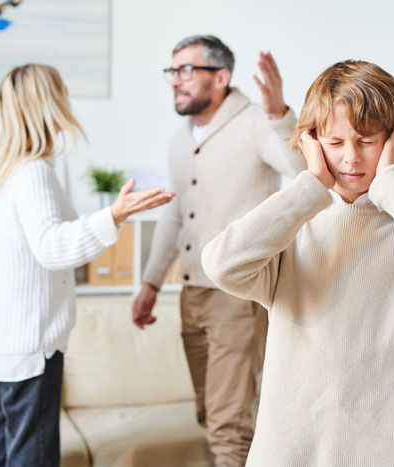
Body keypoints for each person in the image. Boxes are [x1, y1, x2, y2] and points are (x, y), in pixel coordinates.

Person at [201, 59, 394, 466]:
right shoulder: (290, 228)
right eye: (334, 142)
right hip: (291, 452)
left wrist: (393, 182)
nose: (350, 158)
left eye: (366, 141)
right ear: (310, 142)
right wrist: (310, 186)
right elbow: (222, 264)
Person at [0, 63, 174, 467]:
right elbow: (51, 247)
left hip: (4, 341)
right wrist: (113, 216)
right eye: (62, 90)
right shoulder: (31, 173)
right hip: (30, 345)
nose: (69, 98)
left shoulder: (4, 165)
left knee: (3, 445)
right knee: (33, 453)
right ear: (49, 102)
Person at [131, 35, 306, 466]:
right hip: (192, 293)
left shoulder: (255, 122)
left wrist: (281, 113)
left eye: (187, 70)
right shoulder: (180, 140)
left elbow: (303, 171)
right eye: (172, 71)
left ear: (221, 77)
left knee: (228, 425)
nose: (176, 81)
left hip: (237, 294)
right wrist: (151, 282)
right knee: (210, 413)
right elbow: (175, 215)